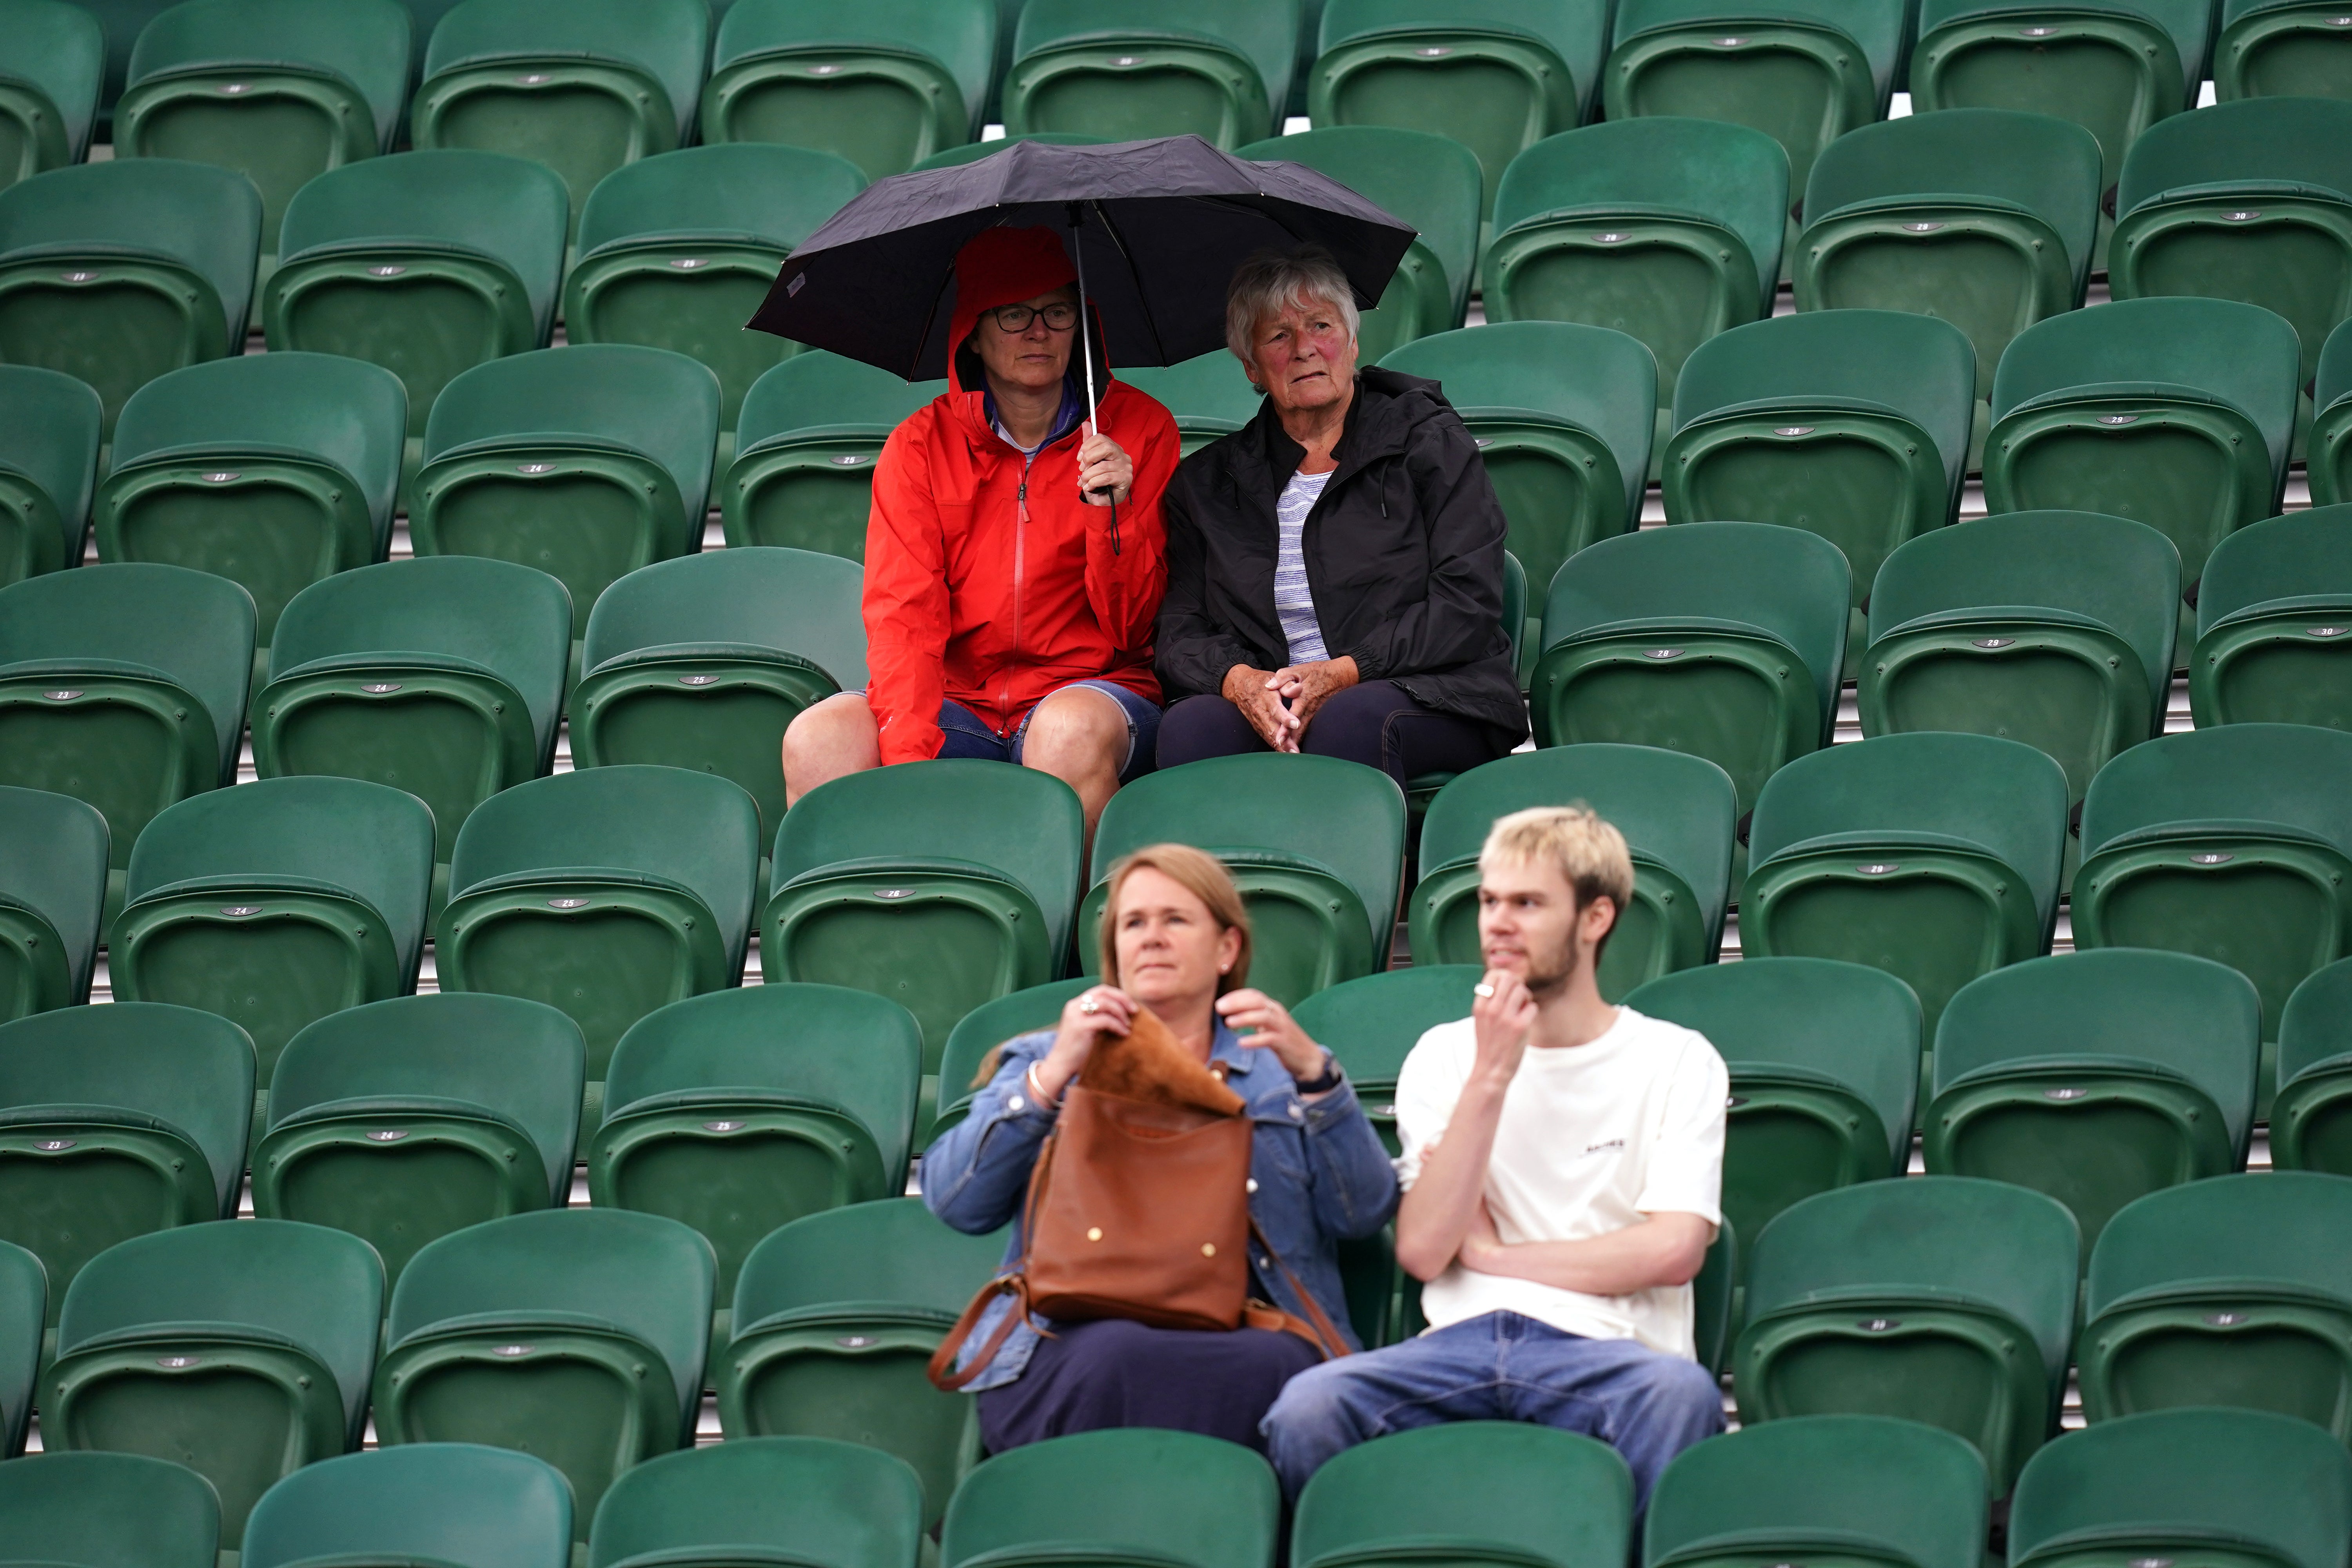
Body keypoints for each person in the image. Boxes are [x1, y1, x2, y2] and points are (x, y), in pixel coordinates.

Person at [1262, 806, 1728, 1510]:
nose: (1498, 924)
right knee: (1309, 1408)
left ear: (1595, 918)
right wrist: (1490, 1076)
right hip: (1458, 1345)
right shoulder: (1447, 1055)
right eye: (1489, 902)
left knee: (1681, 1397)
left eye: (1528, 904)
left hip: (1610, 1352)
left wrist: (1498, 1258)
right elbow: (1424, 1249)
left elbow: (1674, 1250)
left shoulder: (1676, 1059)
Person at [923, 843, 1398, 1454]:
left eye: (1175, 920)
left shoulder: (1282, 1073)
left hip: (1246, 1334)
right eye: (1133, 923)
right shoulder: (1048, 1060)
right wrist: (1052, 1079)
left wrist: (1318, 1079)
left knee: (1277, 1367)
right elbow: (956, 1201)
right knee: (1112, 1351)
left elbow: (1360, 1215)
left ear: (1227, 948)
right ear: (1115, 950)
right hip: (1070, 1343)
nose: (1152, 938)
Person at [781, 225, 1182, 840]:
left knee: (1065, 731)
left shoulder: (1137, 428)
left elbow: (1133, 629)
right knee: (820, 738)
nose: (1039, 332)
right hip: (960, 703)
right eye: (1014, 314)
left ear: (1082, 324)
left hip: (1093, 690)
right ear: (974, 329)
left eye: (1056, 312)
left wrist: (1112, 514)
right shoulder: (919, 446)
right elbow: (903, 615)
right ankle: (885, 924)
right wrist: (911, 761)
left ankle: (1073, 936)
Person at [1152, 247, 1527, 791]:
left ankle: (1359, 879)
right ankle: (1214, 880)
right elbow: (1180, 629)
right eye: (1278, 336)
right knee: (1191, 728)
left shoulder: (1428, 444)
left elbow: (1466, 602)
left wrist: (1344, 672)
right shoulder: (1210, 484)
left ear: (1353, 343)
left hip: (1431, 689)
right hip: (1279, 694)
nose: (1305, 349)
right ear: (1251, 367)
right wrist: (1242, 683)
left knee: (1349, 721)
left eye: (1321, 326)